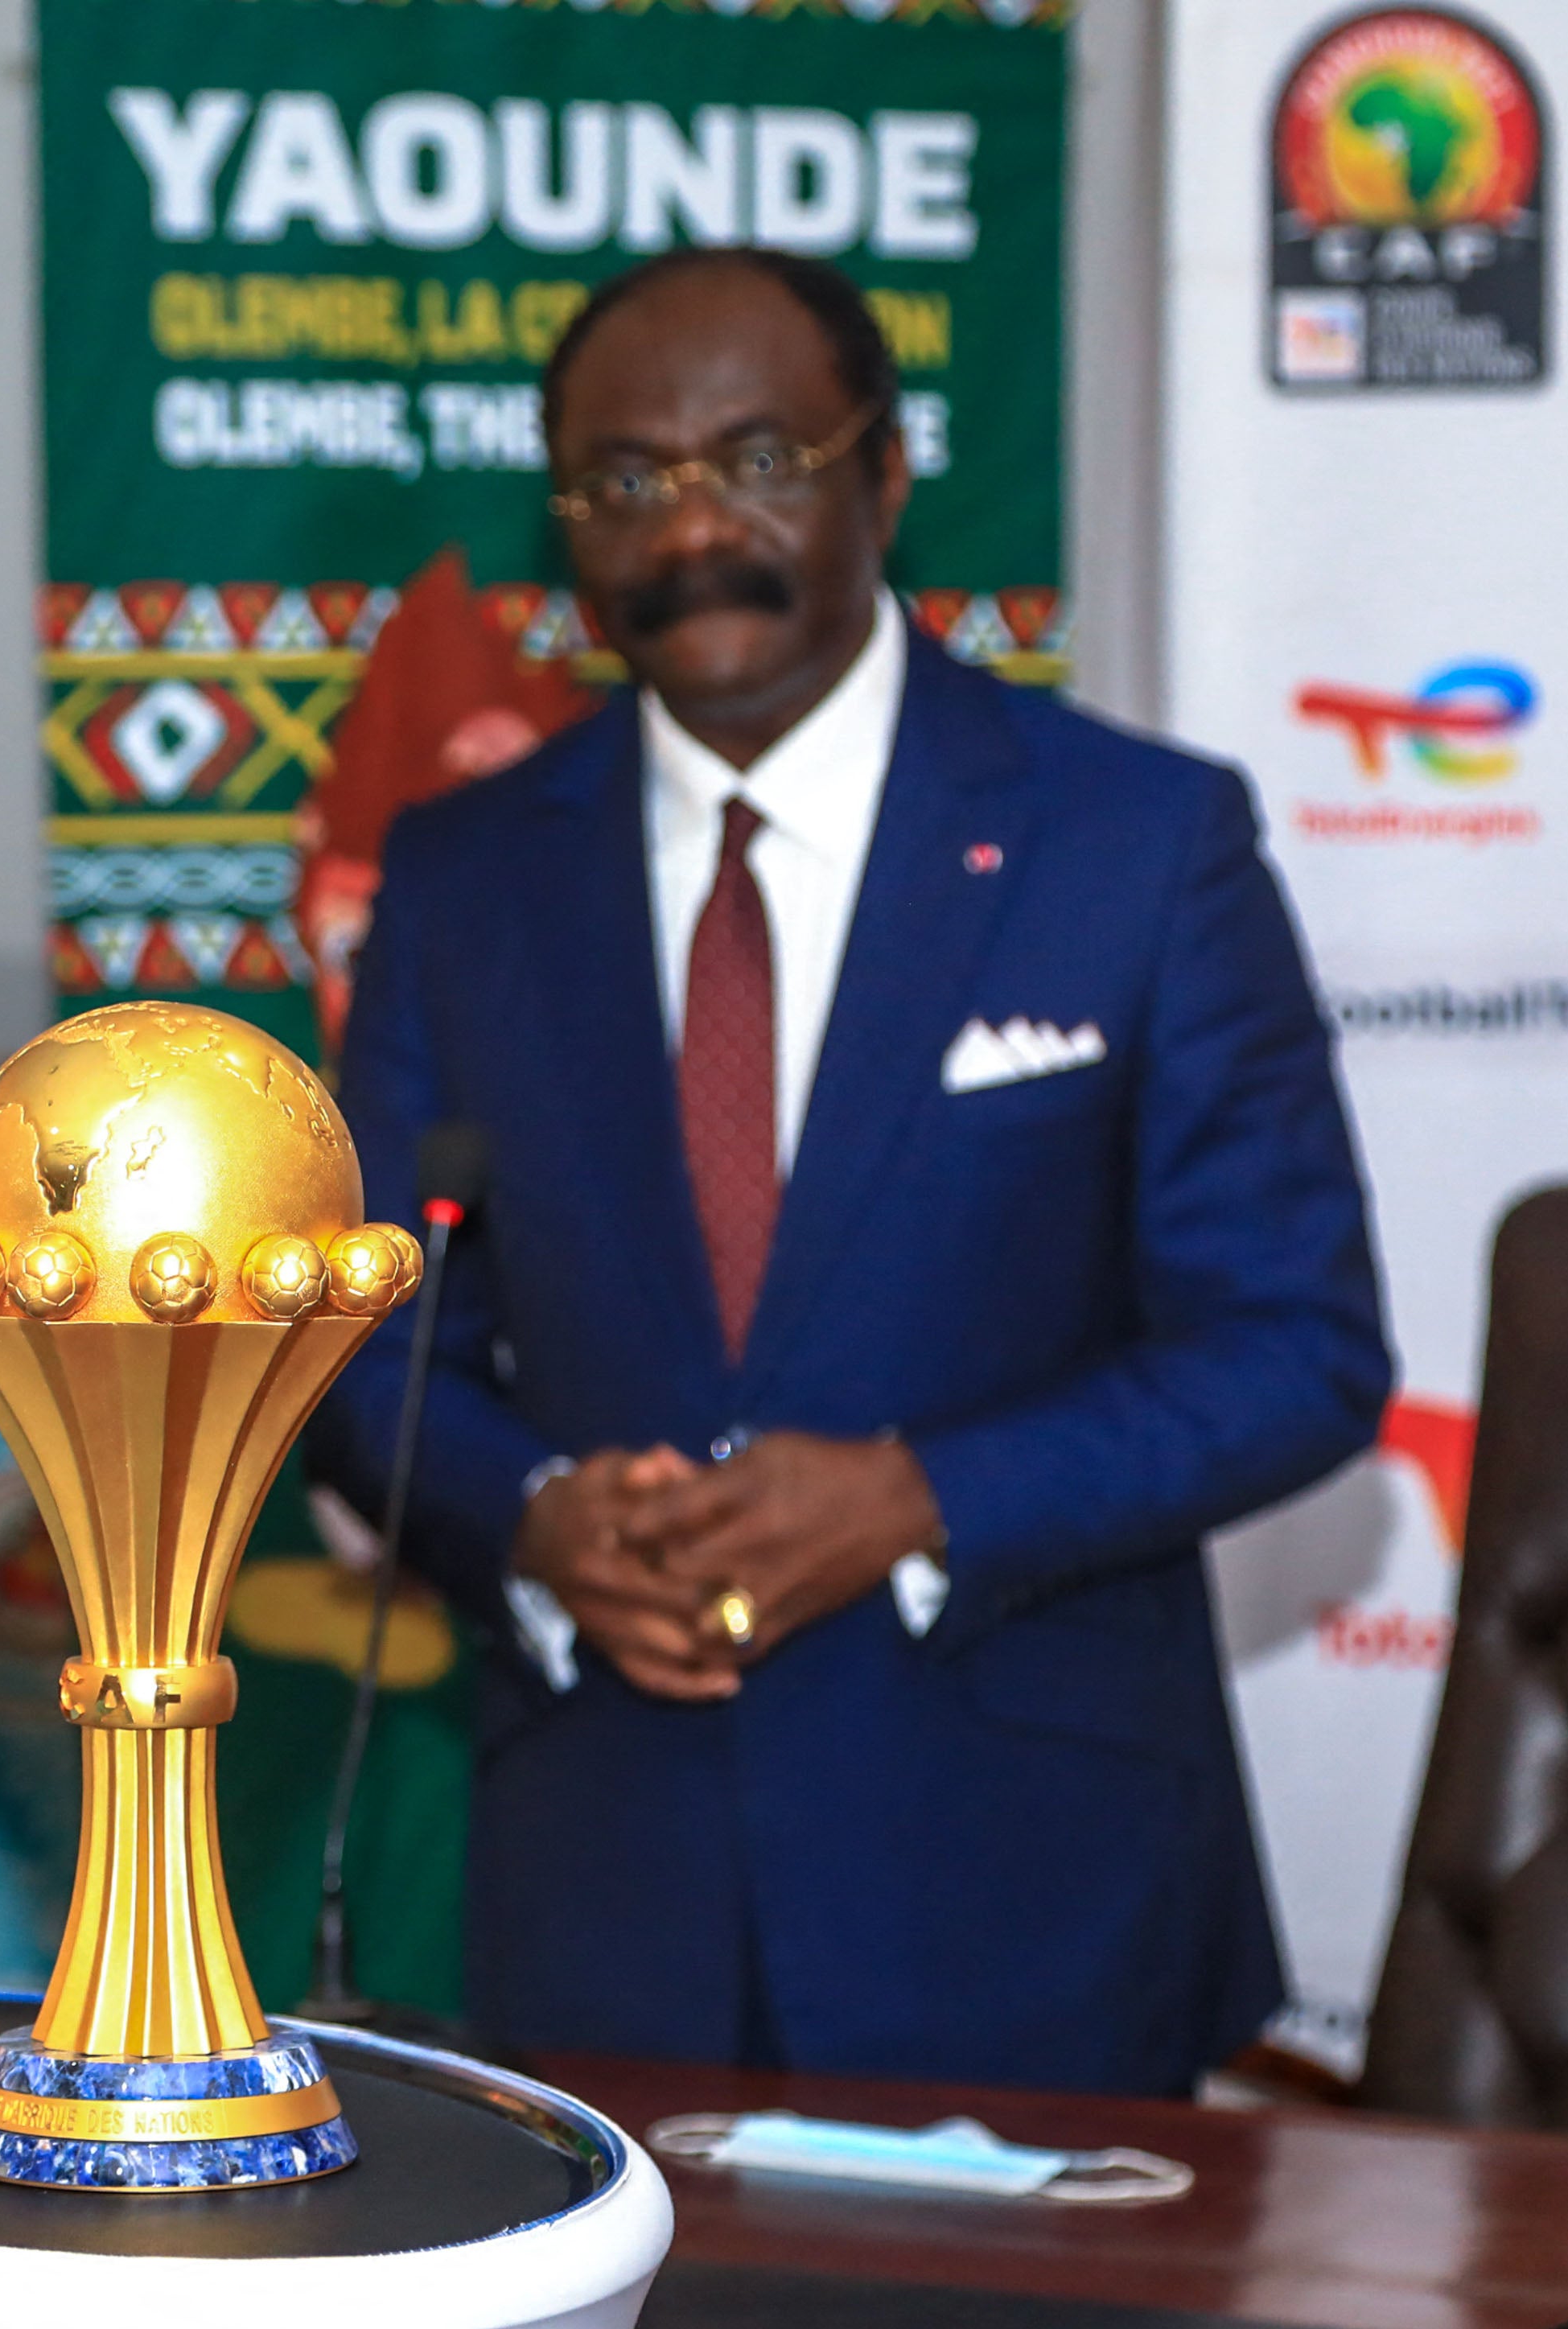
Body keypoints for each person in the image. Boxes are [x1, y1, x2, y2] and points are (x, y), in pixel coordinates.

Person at [308, 247, 1389, 2096]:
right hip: (602, 1902)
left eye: (760, 456)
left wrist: (917, 1498)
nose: (693, 522)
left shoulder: (1134, 843)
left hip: (1032, 1889)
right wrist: (545, 1515)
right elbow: (360, 1345)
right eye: (628, 479)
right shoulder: (466, 879)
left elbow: (1297, 1347)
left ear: (883, 473)